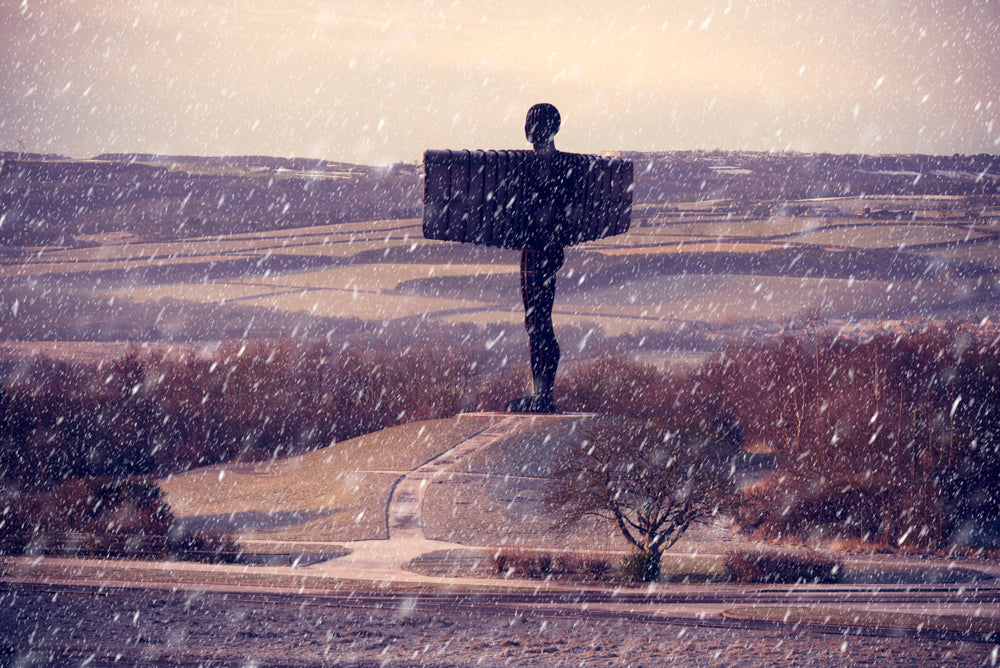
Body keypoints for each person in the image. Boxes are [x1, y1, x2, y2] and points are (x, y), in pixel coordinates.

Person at [506, 103, 566, 414]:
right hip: (549, 249)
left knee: (537, 323)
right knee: (541, 322)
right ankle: (542, 393)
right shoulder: (565, 164)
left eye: (530, 124)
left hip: (536, 250)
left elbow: (523, 211)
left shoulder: (534, 166)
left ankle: (543, 395)